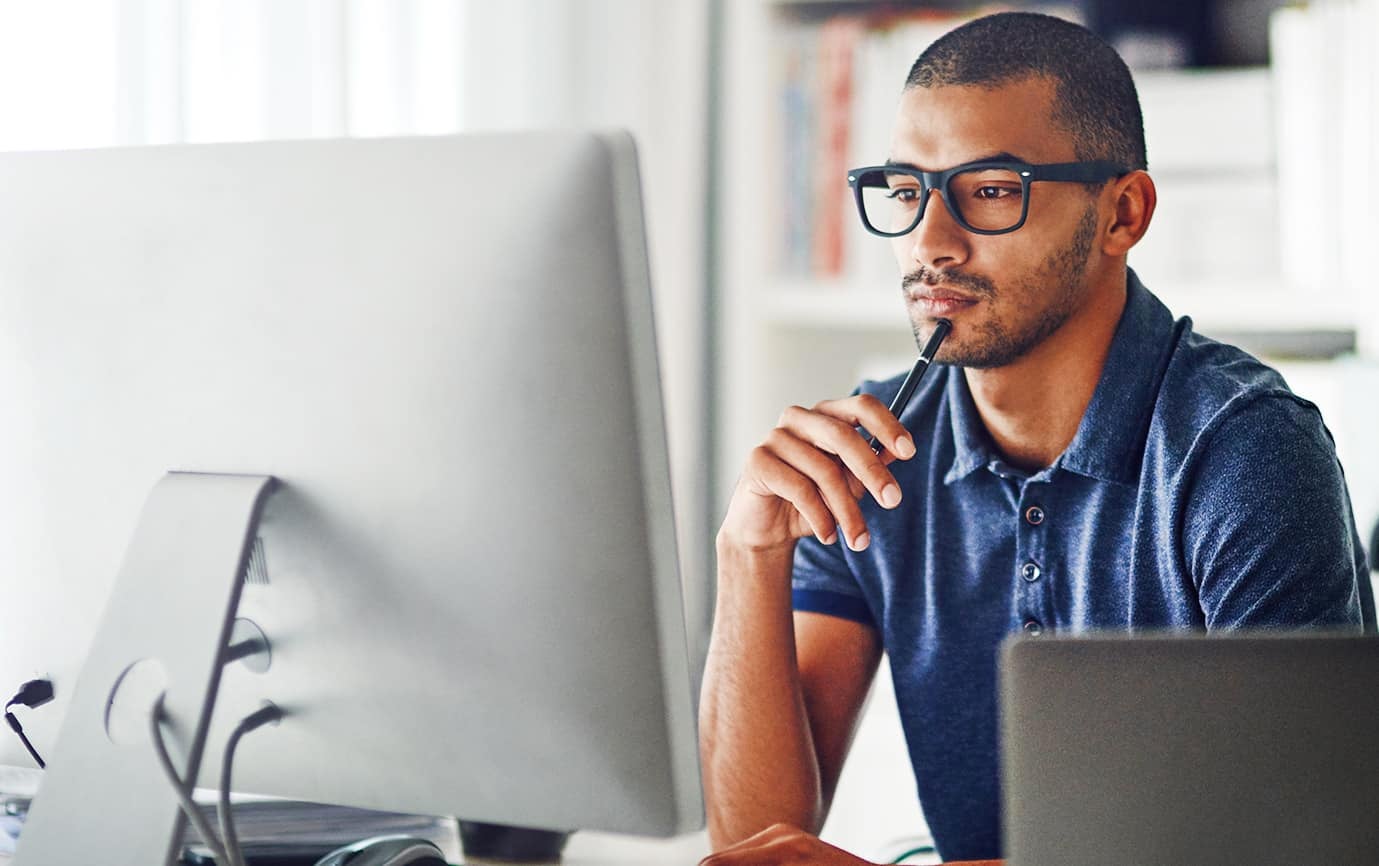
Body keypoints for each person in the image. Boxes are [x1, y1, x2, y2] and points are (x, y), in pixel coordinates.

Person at [697, 11, 1375, 866]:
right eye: (905, 191)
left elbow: (1293, 847)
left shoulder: (1246, 452)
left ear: (1121, 213)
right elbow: (753, 839)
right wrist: (747, 551)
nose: (929, 244)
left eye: (988, 190)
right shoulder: (869, 450)